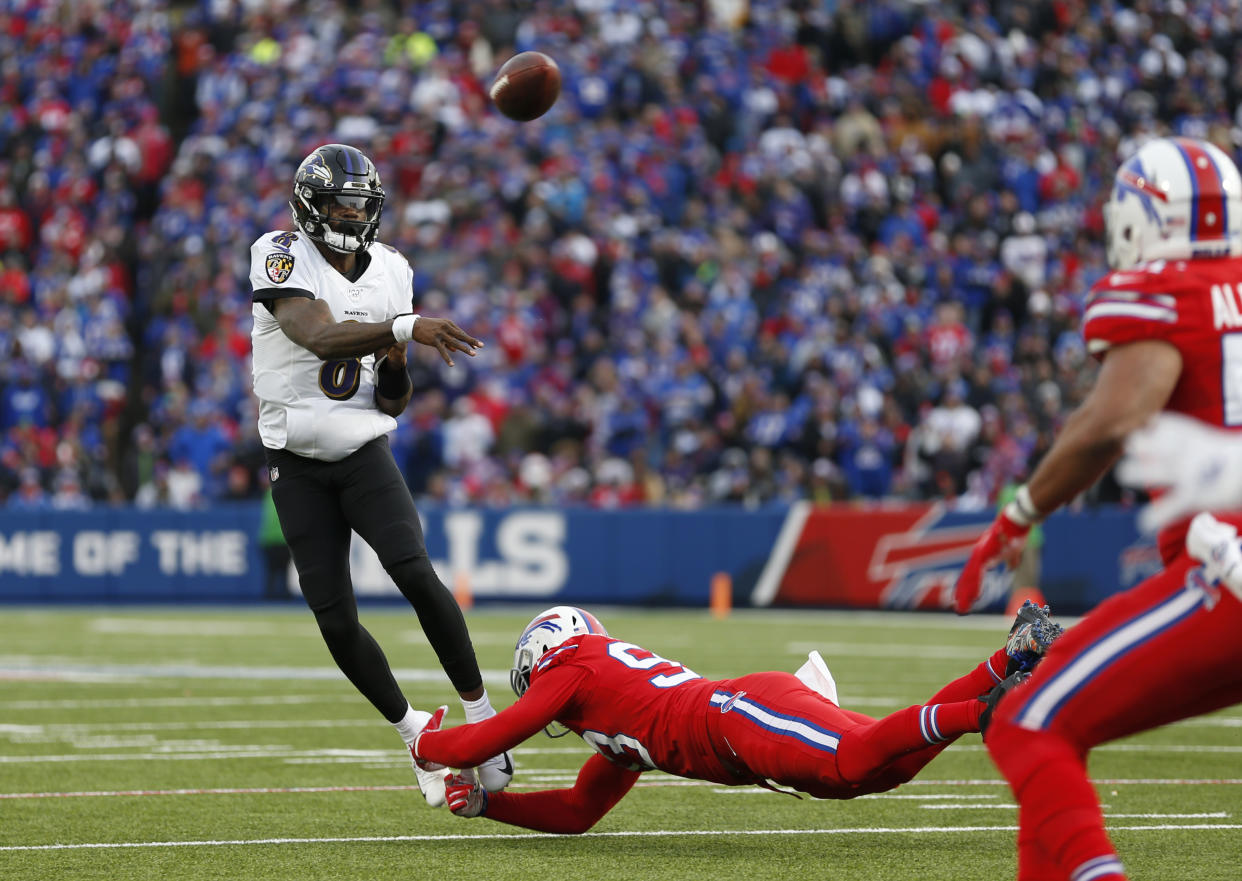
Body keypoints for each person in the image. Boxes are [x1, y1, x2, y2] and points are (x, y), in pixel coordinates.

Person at [953, 136, 1242, 881]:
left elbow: (1111, 421)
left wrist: (1017, 514)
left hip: (1225, 573)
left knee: (1025, 720)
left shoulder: (1166, 291)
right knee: (1057, 730)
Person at [248, 143, 512, 807]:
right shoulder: (279, 251)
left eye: (359, 203)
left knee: (414, 570)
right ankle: (415, 733)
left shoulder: (393, 269)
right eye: (339, 202)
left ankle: (483, 719)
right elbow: (318, 335)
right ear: (311, 204)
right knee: (334, 618)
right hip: (298, 463)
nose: (349, 212)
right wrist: (404, 326)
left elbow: (390, 397)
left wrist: (396, 360)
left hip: (364, 448)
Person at [404, 602, 1061, 832]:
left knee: (853, 759)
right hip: (741, 733)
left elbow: (491, 735)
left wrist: (426, 742)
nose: (536, 695)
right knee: (883, 770)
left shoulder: (576, 661)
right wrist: (493, 808)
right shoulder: (606, 718)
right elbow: (579, 812)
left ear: (549, 649)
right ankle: (1014, 656)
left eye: (531, 676)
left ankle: (988, 710)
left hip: (740, 713)